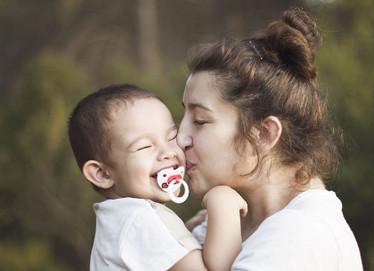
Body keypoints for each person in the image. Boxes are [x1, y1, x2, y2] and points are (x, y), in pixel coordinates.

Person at [178, 7, 363, 271]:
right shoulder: (225, 223)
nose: (180, 138)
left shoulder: (298, 235)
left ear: (264, 134)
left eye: (200, 121)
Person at [68, 84, 247, 271]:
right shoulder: (137, 221)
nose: (167, 152)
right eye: (145, 146)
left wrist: (186, 234)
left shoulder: (123, 221)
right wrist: (223, 206)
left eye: (171, 137)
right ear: (102, 174)